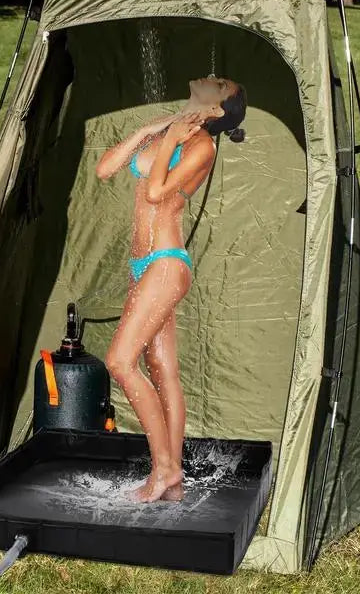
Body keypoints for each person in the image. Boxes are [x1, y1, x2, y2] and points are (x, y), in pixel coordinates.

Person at [95, 76, 247, 503]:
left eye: (218, 84)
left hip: (165, 261)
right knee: (162, 370)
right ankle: (174, 484)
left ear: (217, 109)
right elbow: (105, 168)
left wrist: (170, 140)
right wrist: (151, 131)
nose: (208, 78)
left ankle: (164, 469)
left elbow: (159, 191)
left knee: (119, 362)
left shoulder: (202, 147)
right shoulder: (171, 130)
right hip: (142, 266)